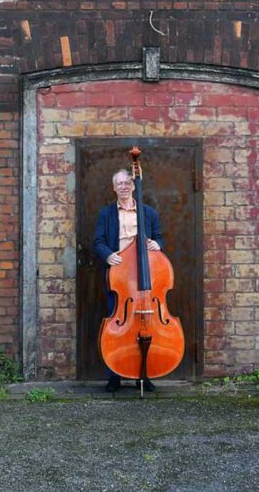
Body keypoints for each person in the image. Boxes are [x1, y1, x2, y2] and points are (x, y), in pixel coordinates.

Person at [92, 168, 165, 392]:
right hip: (120, 277)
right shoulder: (106, 214)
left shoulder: (148, 213)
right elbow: (98, 242)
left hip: (145, 275)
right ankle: (114, 374)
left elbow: (160, 237)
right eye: (119, 184)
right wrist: (108, 254)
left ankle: (143, 374)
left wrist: (157, 245)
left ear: (133, 186)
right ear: (114, 188)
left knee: (146, 326)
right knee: (118, 327)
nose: (124, 187)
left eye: (127, 183)